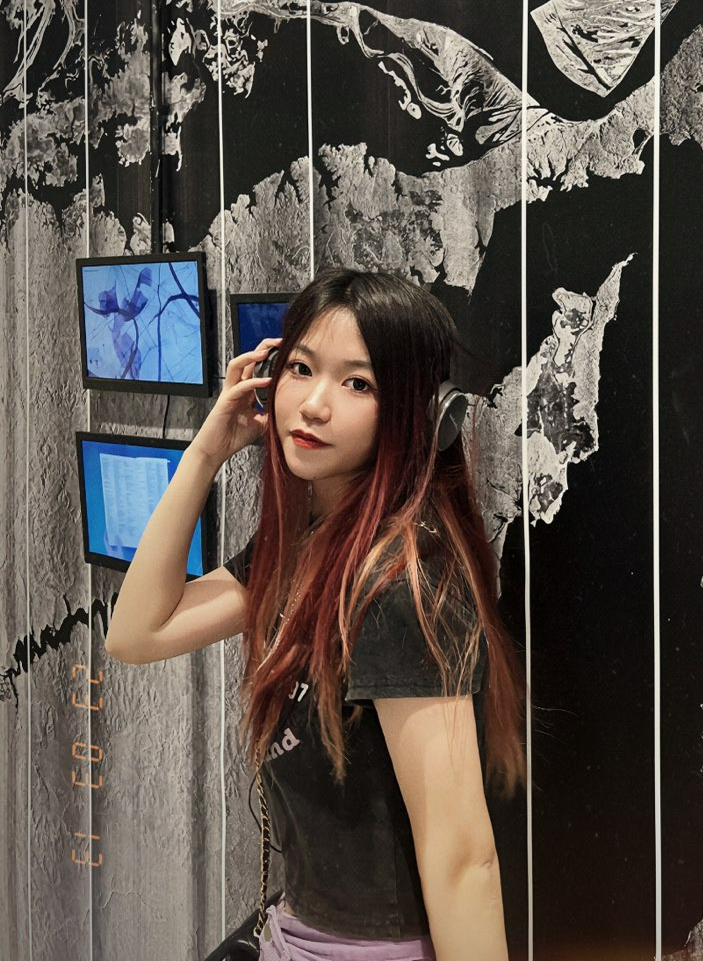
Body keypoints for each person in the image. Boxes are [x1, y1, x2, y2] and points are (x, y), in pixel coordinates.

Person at [105, 268, 525, 961]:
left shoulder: (402, 585)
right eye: (300, 369)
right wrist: (206, 450)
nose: (314, 404)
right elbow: (136, 633)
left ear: (417, 413)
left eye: (358, 383)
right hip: (297, 930)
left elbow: (461, 855)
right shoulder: (307, 549)